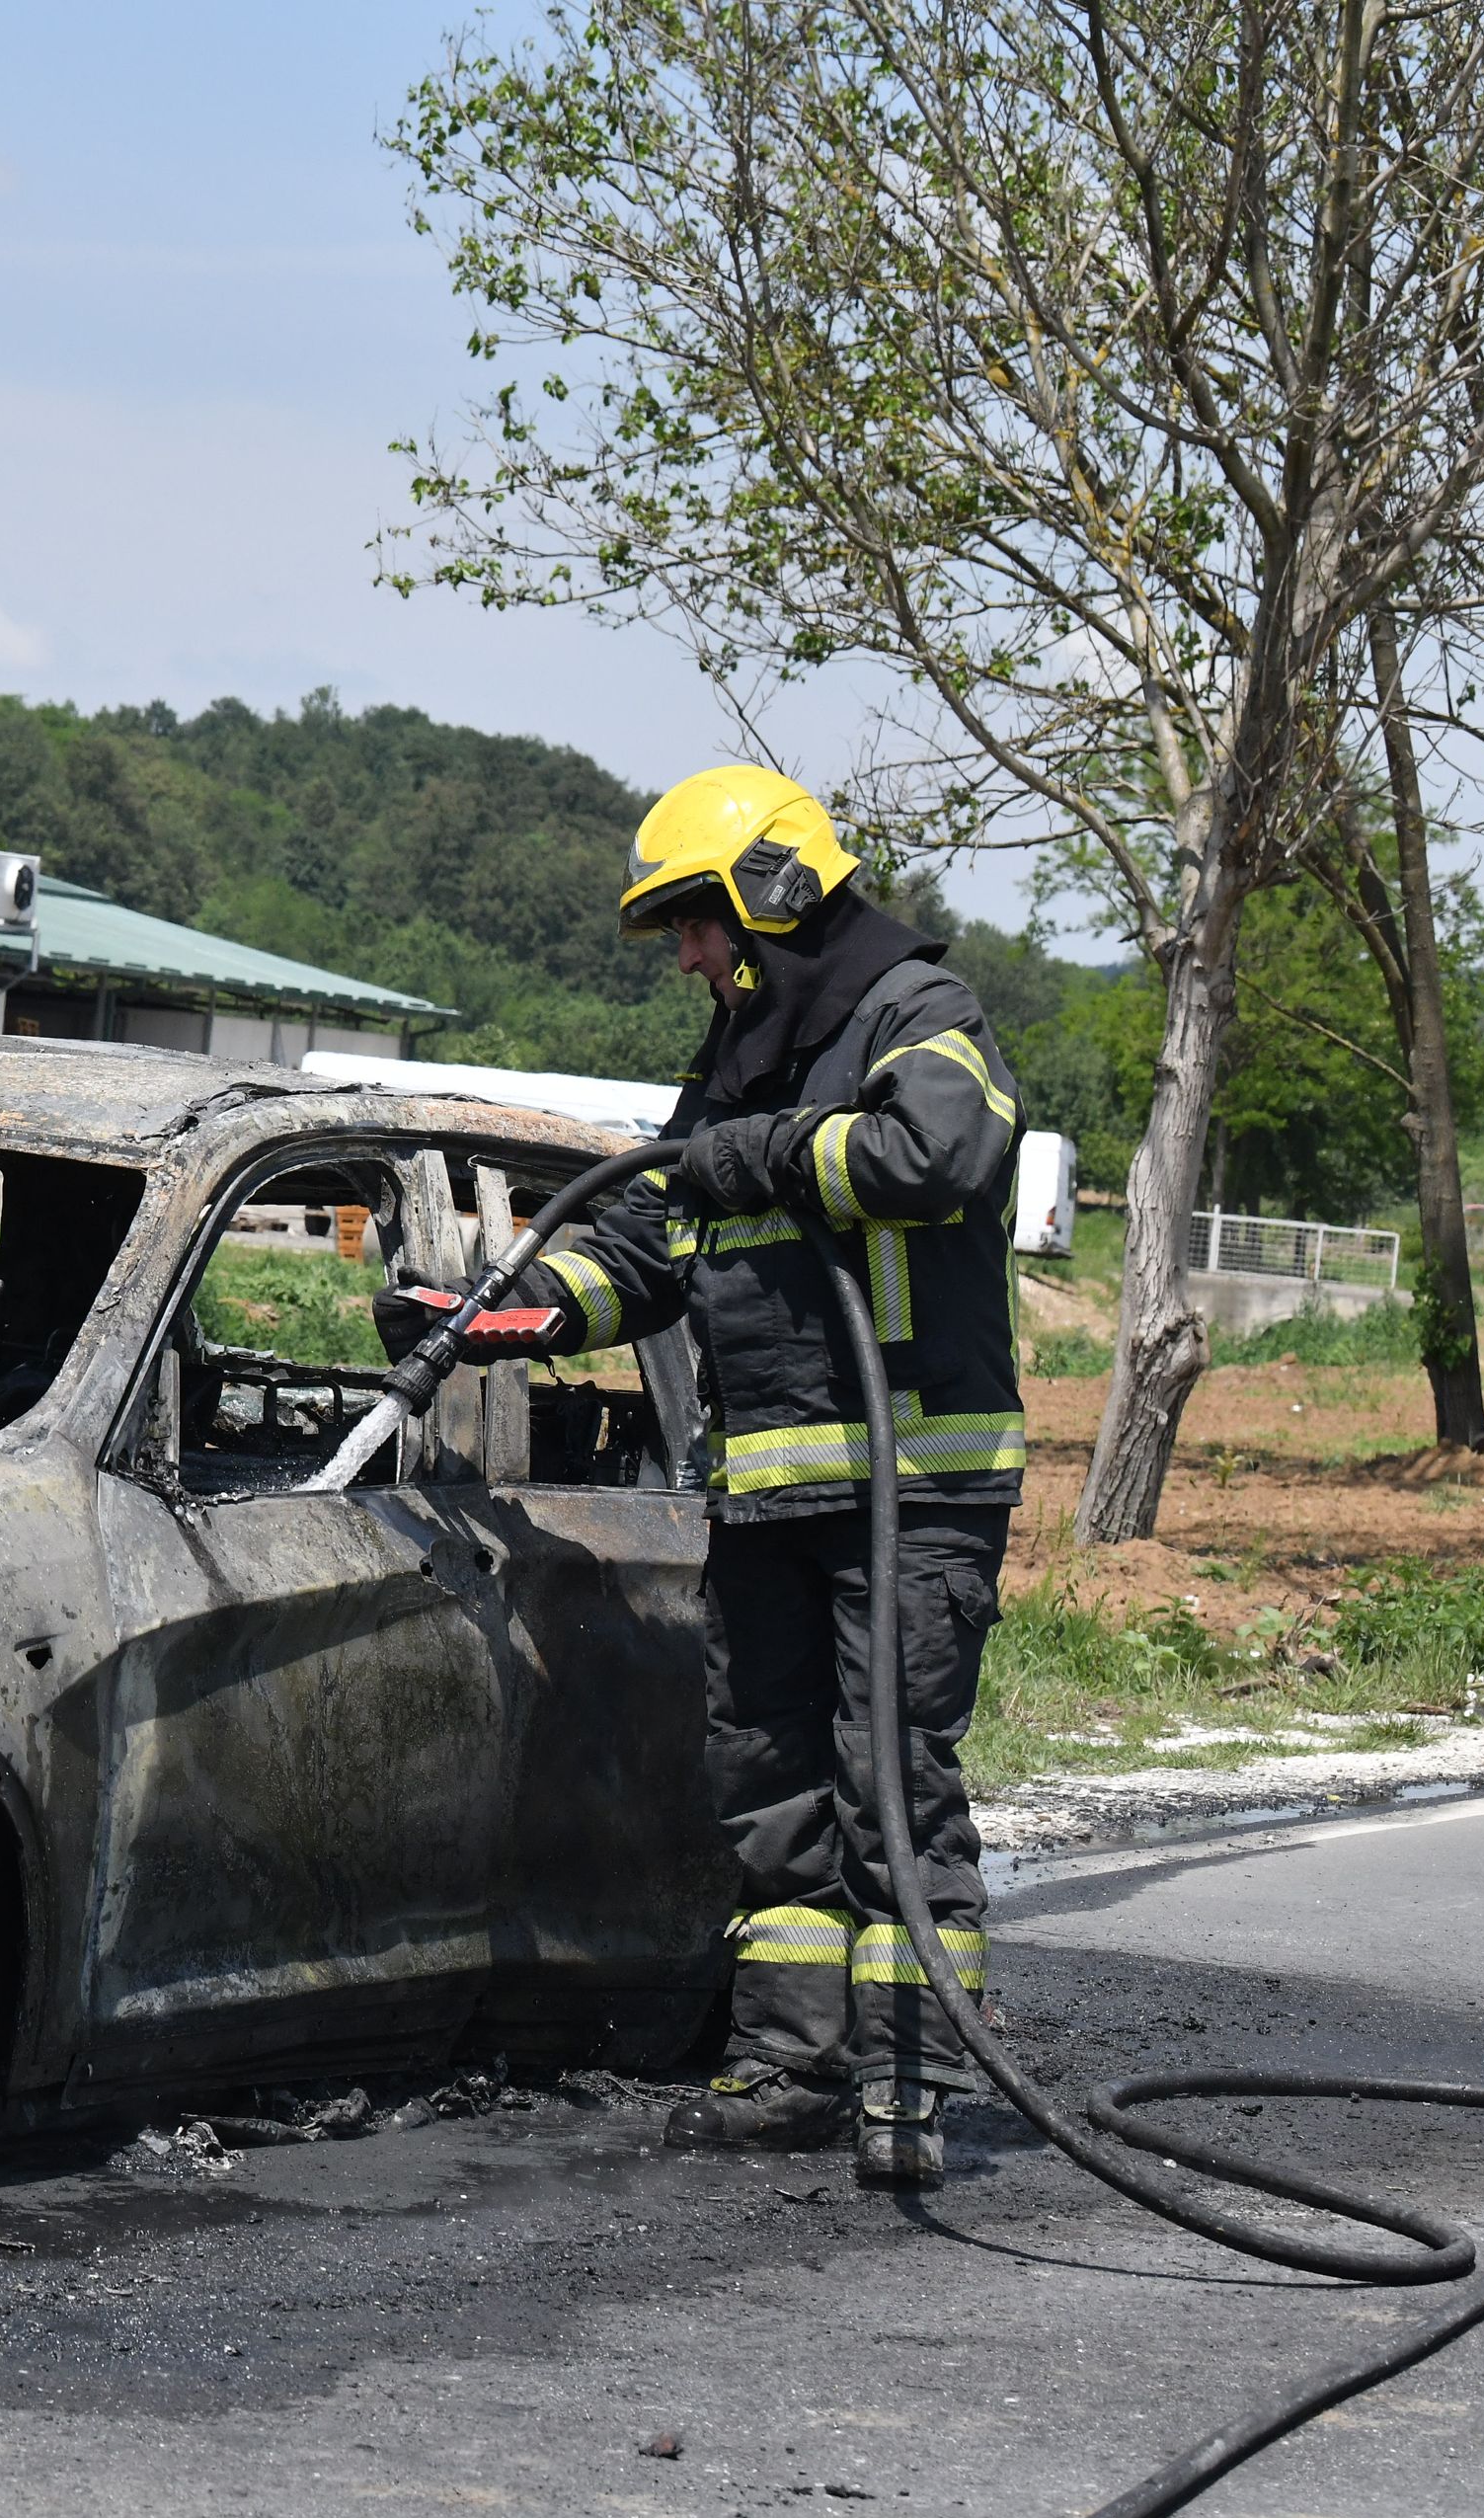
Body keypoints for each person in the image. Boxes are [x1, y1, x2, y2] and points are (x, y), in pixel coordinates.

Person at [375, 763, 1025, 2189]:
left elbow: (944, 1150)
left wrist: (774, 1150)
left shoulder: (920, 1016)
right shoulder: (739, 1061)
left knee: (888, 1781)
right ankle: (794, 2069)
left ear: (772, 895)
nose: (686, 958)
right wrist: (515, 1312)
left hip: (913, 1492)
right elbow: (652, 1242)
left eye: (694, 925)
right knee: (770, 1781)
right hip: (775, 1496)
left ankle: (908, 2080)